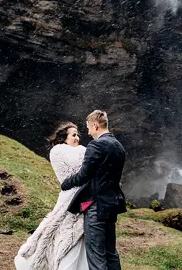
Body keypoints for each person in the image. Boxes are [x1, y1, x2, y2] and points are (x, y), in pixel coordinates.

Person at [15, 122, 89, 270]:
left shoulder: (77, 150)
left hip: (81, 195)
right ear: (64, 138)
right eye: (73, 135)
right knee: (65, 231)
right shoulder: (59, 151)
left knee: (76, 232)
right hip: (71, 197)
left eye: (78, 135)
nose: (77, 138)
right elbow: (74, 172)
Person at [61, 110, 127, 270]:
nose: (89, 133)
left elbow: (84, 175)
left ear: (96, 126)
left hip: (96, 206)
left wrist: (65, 183)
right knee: (111, 253)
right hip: (112, 205)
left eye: (89, 128)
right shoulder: (119, 146)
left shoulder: (96, 145)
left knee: (96, 256)